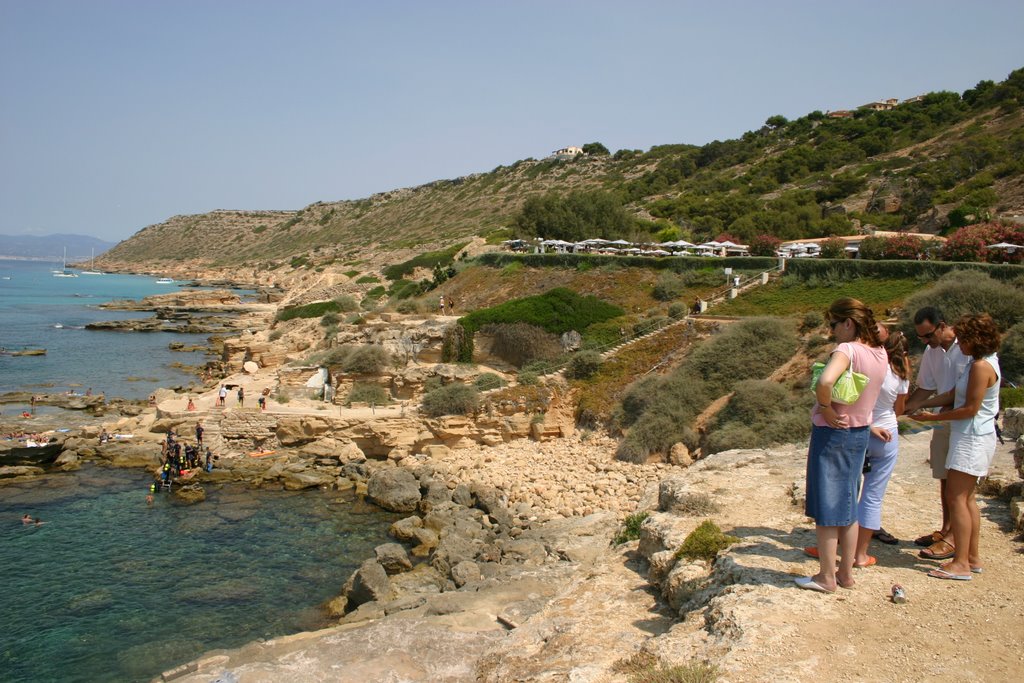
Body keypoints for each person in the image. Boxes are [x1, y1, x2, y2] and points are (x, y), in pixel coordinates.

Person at [796, 298, 888, 594]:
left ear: (848, 323)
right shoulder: (880, 353)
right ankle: (845, 574)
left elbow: (825, 380)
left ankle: (826, 577)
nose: (832, 330)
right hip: (859, 432)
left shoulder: (847, 349)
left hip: (833, 434)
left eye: (834, 324)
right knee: (848, 503)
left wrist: (826, 407)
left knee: (827, 506)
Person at [910, 313, 1001, 580]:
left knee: (956, 498)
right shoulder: (982, 364)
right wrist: (920, 405)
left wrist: (933, 418)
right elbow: (955, 394)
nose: (959, 344)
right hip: (974, 437)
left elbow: (969, 408)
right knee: (968, 499)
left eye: (964, 338)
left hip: (971, 438)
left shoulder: (980, 367)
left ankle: (960, 563)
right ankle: (971, 557)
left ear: (975, 339)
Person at [902, 307, 970, 560]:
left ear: (942, 326)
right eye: (921, 338)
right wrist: (903, 407)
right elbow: (925, 388)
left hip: (960, 421)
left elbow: (957, 395)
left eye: (928, 336)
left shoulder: (965, 349)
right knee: (943, 476)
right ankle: (946, 530)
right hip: (943, 420)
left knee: (958, 482)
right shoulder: (933, 352)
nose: (926, 342)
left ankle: (954, 538)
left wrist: (925, 407)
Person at [852, 329, 911, 564]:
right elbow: (900, 409)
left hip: (860, 429)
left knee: (847, 490)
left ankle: (831, 544)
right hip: (887, 433)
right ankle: (860, 554)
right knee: (873, 495)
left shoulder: (869, 366)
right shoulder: (900, 374)